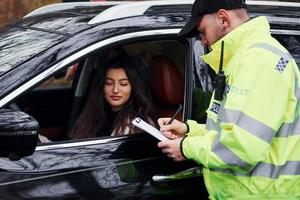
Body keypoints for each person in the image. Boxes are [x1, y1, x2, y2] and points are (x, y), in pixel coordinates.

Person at [157, 0, 300, 199]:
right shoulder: (243, 61)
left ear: (223, 19)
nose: (202, 42)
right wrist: (190, 130)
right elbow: (234, 128)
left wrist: (185, 147)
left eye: (202, 32)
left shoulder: (259, 63)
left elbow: (242, 149)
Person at [69, 56, 155, 139]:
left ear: (133, 88)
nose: (115, 90)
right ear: (102, 86)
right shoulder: (93, 114)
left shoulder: (140, 124)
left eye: (123, 84)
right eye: (109, 83)